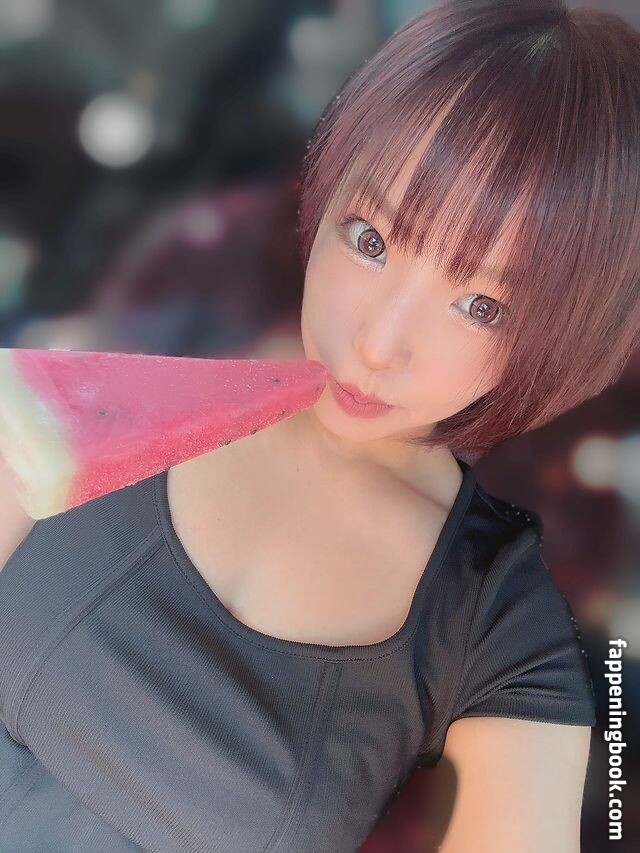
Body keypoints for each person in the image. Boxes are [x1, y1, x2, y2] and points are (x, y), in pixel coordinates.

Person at [1, 1, 638, 850]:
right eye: (371, 239)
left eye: (483, 304)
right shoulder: (130, 376)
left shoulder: (497, 622)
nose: (377, 343)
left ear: (567, 335)